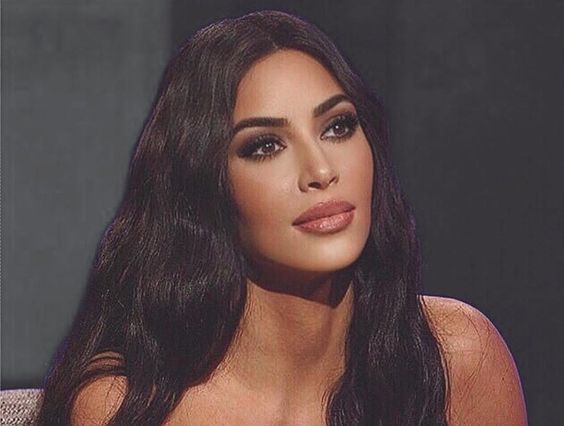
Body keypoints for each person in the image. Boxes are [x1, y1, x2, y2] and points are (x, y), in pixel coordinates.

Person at [36, 10, 527, 425]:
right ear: (204, 186)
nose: (321, 171)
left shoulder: (457, 357)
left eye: (338, 126)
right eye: (265, 146)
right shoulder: (128, 405)